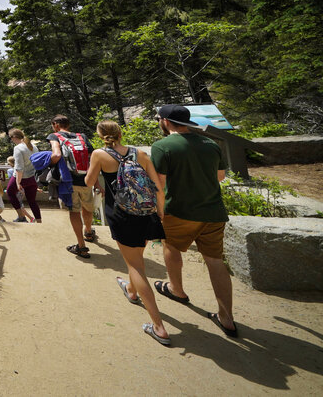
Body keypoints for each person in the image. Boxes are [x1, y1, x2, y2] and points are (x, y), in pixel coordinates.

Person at [151, 104, 238, 337]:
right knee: (215, 260)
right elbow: (220, 176)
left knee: (170, 246)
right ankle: (226, 317)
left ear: (166, 122)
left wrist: (159, 212)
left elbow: (159, 183)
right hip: (213, 211)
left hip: (179, 211)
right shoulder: (211, 144)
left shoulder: (162, 146)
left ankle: (176, 289)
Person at [86, 120, 170, 346]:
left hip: (120, 214)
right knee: (136, 258)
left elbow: (89, 181)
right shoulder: (140, 154)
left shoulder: (99, 155)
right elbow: (158, 187)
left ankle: (159, 327)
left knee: (135, 266)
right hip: (146, 213)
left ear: (101, 135)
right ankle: (131, 290)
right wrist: (160, 213)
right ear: (120, 133)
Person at [48, 114, 97, 258]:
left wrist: (47, 164)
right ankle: (88, 232)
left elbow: (56, 155)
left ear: (56, 125)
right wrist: (96, 182)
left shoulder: (54, 136)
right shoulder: (81, 136)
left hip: (69, 181)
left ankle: (81, 246)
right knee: (87, 208)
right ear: (68, 124)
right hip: (87, 179)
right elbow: (93, 158)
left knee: (74, 211)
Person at [7, 129, 41, 223]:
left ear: (14, 137)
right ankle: (39, 221)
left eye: (11, 138)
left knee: (10, 192)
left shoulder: (18, 148)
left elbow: (19, 167)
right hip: (32, 177)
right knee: (32, 201)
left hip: (22, 177)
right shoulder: (33, 146)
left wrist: (18, 182)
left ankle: (21, 217)